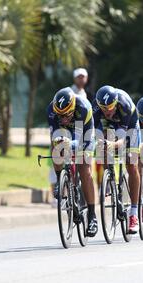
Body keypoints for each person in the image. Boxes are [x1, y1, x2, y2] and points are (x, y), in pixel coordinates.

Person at [47, 87, 98, 237]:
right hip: (65, 133)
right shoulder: (51, 110)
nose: (63, 118)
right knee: (57, 149)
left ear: (73, 108)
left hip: (83, 133)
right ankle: (60, 180)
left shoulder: (83, 108)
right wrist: (60, 143)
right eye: (59, 115)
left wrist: (73, 145)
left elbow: (86, 140)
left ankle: (92, 216)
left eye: (66, 115)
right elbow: (55, 135)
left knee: (84, 168)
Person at [93, 85, 141, 234]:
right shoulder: (95, 108)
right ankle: (109, 176)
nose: (107, 111)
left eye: (110, 108)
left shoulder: (125, 105)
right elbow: (92, 132)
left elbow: (121, 139)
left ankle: (133, 213)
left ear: (115, 103)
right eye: (104, 108)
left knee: (131, 165)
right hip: (107, 125)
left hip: (129, 126)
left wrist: (112, 143)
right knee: (103, 143)